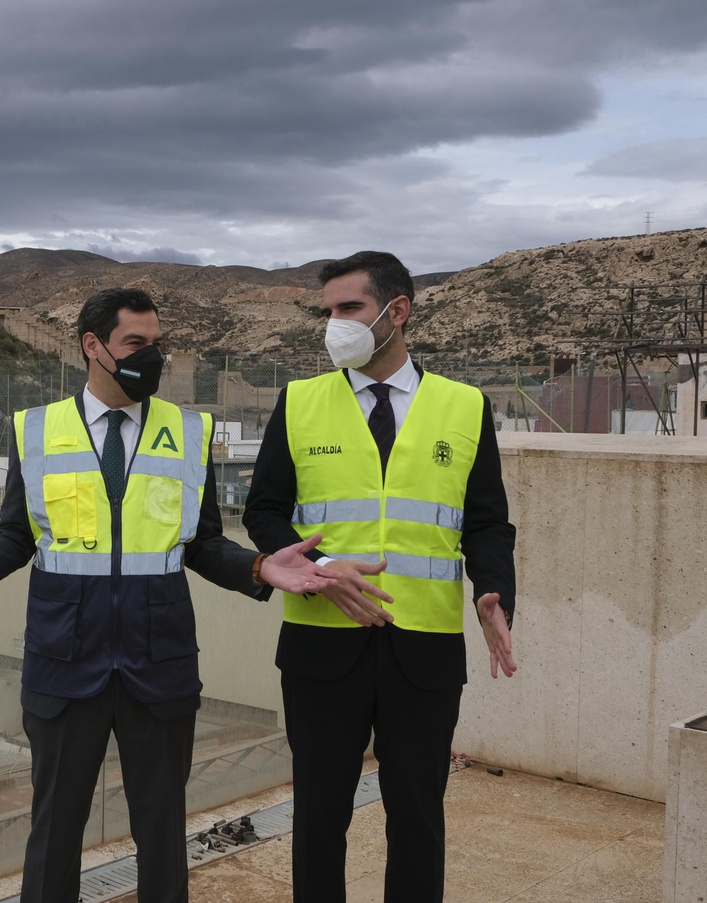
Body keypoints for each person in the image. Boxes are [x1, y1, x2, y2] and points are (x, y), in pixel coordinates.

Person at [0, 287, 337, 903]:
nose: (151, 358)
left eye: (157, 345)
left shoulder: (190, 431)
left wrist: (259, 567)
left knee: (161, 828)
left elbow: (201, 544)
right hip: (65, 664)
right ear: (92, 347)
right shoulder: (34, 430)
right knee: (56, 829)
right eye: (135, 345)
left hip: (161, 662)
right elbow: (18, 537)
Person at [243, 251, 518, 903]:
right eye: (328, 310)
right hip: (320, 650)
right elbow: (264, 511)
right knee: (318, 819)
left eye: (348, 308)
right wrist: (313, 569)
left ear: (398, 312)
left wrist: (491, 588)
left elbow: (487, 522)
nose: (332, 323)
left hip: (423, 650)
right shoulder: (301, 402)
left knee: (419, 820)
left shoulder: (465, 407)